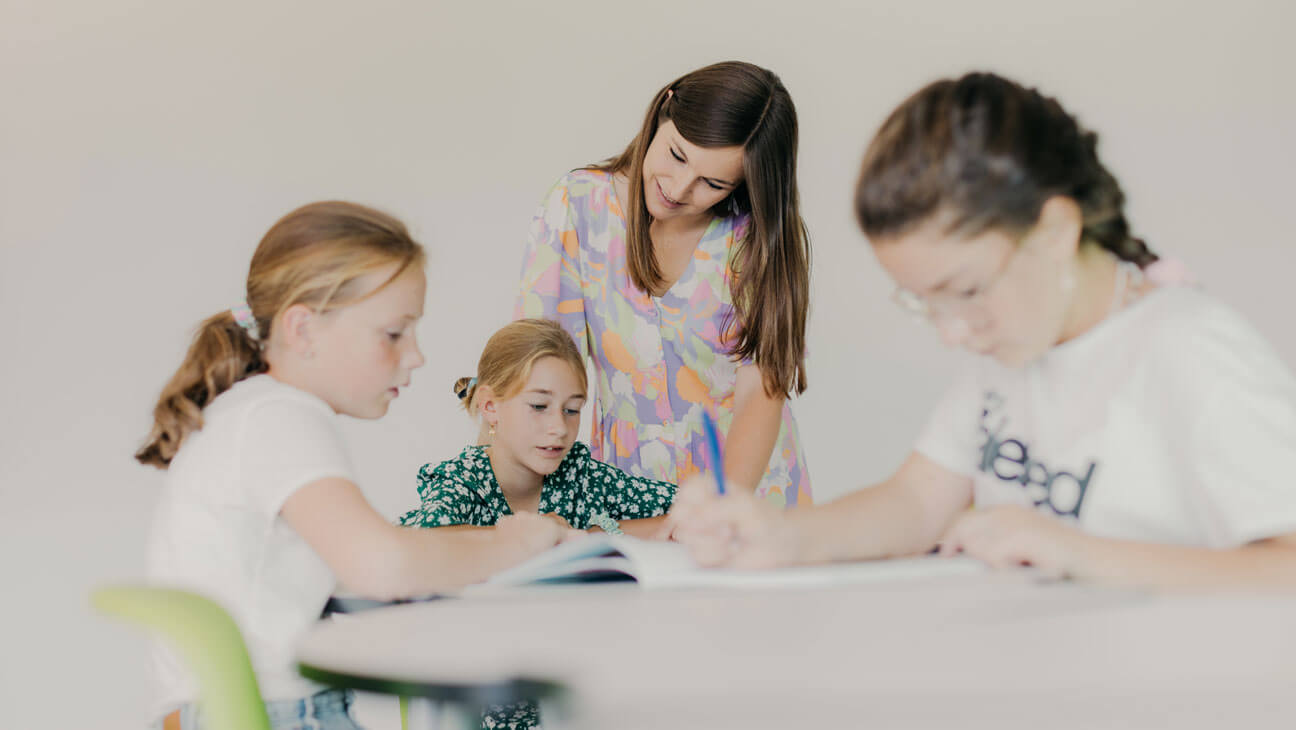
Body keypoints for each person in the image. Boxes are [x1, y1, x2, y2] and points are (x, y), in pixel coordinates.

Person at [667, 72, 1296, 589]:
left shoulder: (1193, 352)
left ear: (1054, 232)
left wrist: (1077, 553)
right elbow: (915, 502)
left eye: (965, 292)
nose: (953, 334)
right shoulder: (1016, 345)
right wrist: (780, 536)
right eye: (924, 304)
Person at [137, 202, 573, 730]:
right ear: (303, 329)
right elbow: (381, 566)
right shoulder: (279, 416)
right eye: (394, 333)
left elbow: (366, 562)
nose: (416, 356)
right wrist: (517, 546)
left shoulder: (246, 412)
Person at [515, 60, 813, 508]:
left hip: (749, 487)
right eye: (677, 155)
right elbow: (537, 365)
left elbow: (761, 390)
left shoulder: (753, 239)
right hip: (625, 489)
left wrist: (724, 503)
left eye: (712, 183)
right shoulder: (578, 207)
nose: (678, 188)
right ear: (664, 109)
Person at [399, 318, 677, 730]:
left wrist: (592, 536)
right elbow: (418, 541)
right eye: (539, 406)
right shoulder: (463, 479)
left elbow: (679, 511)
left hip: (580, 697)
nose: (558, 428)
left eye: (572, 410)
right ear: (491, 406)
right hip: (483, 702)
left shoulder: (580, 473)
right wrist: (536, 535)